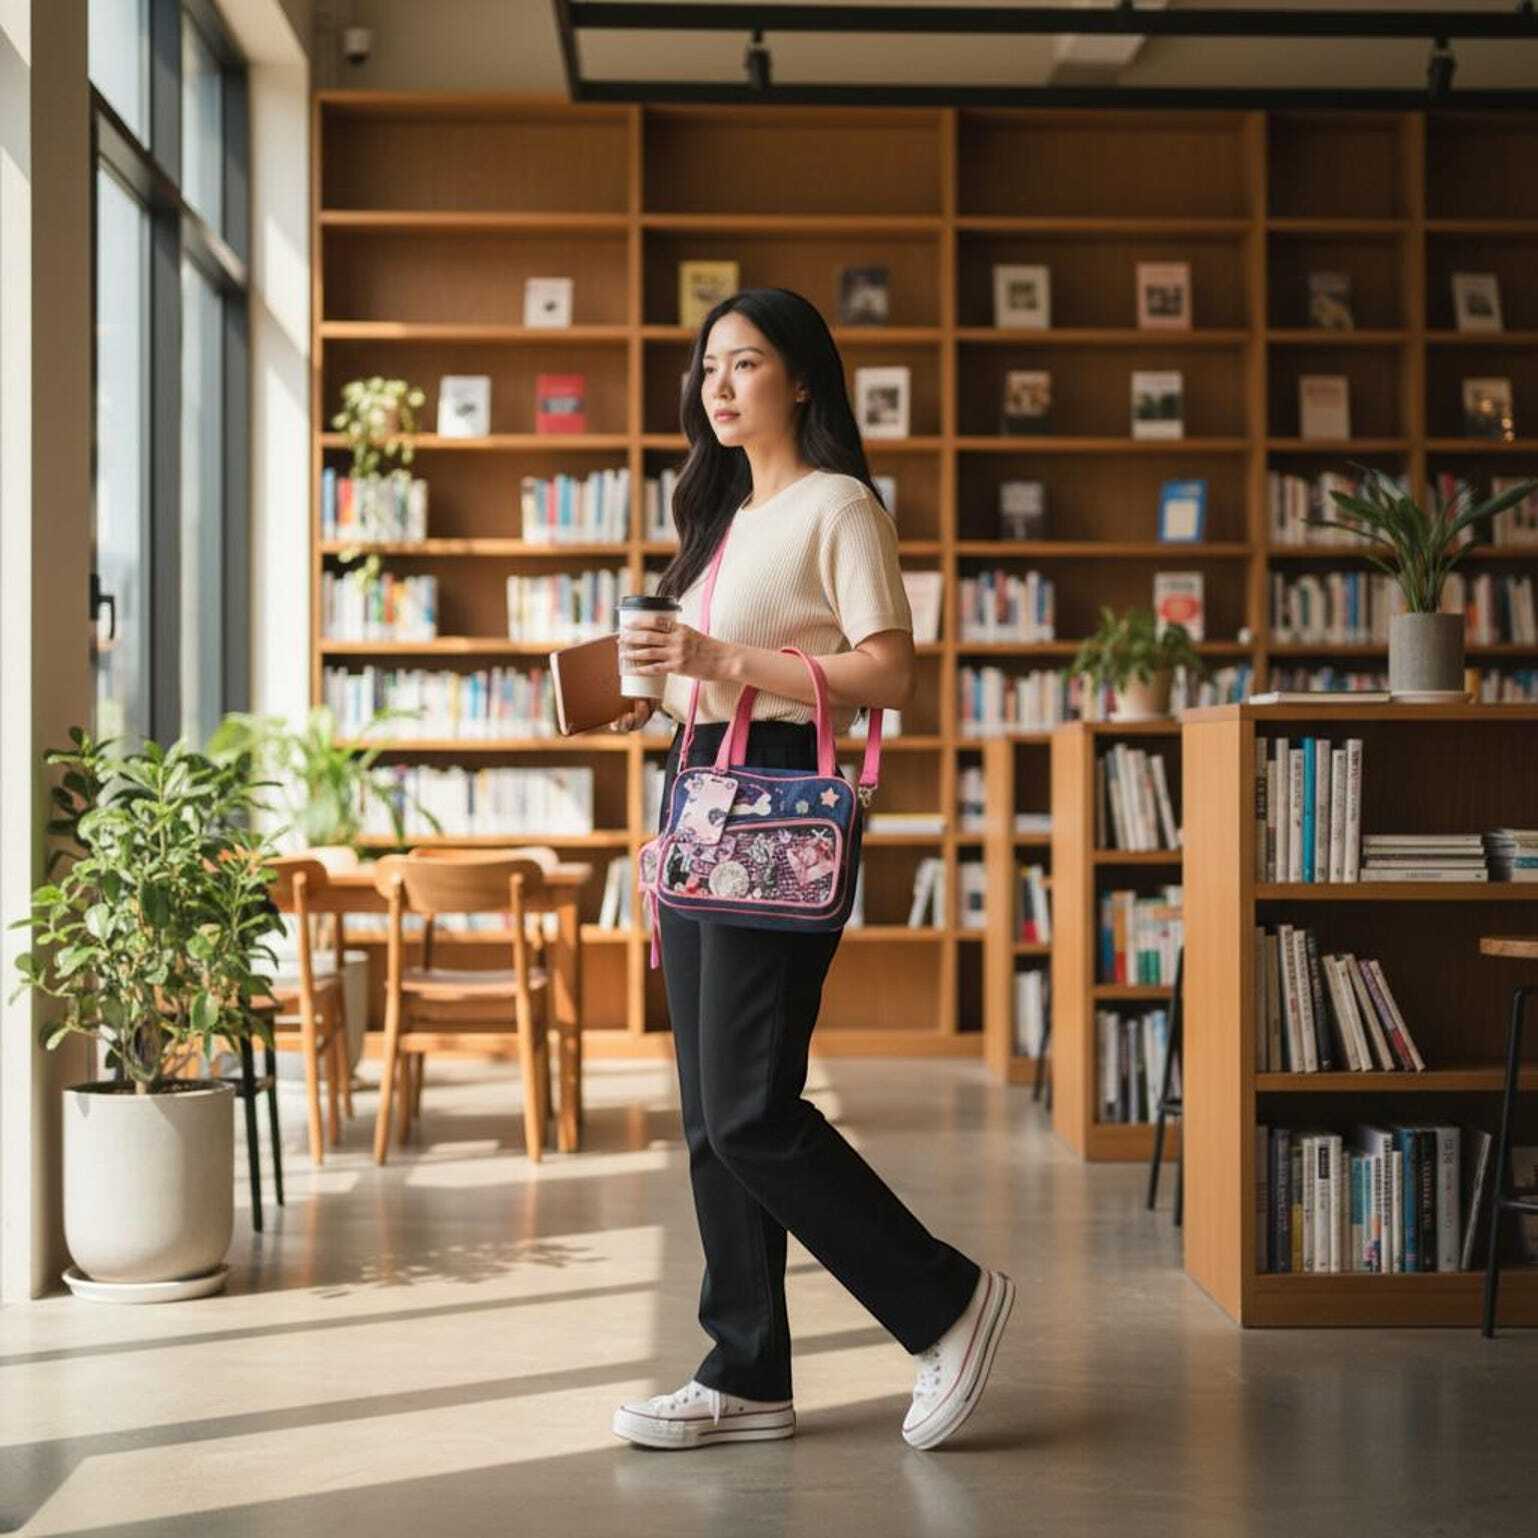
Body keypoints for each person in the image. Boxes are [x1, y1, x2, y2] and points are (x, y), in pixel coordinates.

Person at [606, 287, 1014, 1452]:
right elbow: (707, 682)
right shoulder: (724, 517)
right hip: (697, 791)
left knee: (748, 1108)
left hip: (776, 803)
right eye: (706, 367)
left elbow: (888, 673)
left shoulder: (841, 507)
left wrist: (719, 654)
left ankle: (947, 1299)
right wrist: (638, 692)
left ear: (801, 379)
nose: (716, 385)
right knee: (708, 1113)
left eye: (742, 363)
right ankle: (745, 1370)